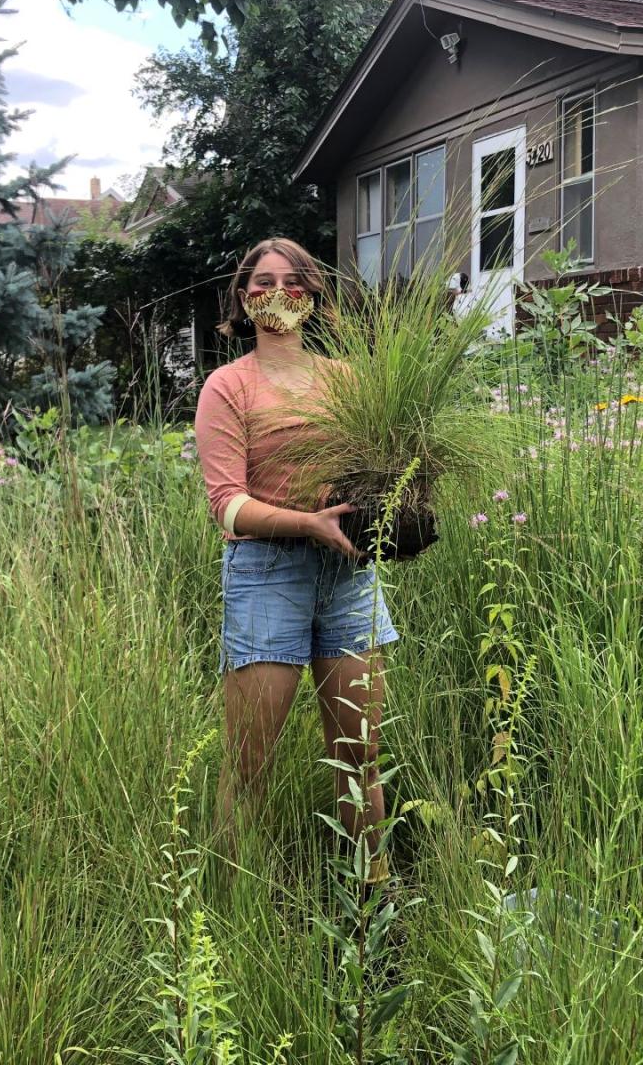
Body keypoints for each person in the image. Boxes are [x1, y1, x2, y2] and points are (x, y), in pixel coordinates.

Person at [193, 237, 399, 885]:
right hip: (266, 576)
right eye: (260, 281)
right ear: (243, 298)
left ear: (312, 295)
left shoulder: (346, 381)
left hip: (348, 579)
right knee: (251, 765)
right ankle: (226, 915)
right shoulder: (228, 387)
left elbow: (376, 473)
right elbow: (226, 506)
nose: (275, 290)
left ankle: (374, 905)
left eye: (291, 279)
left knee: (360, 758)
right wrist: (306, 522)